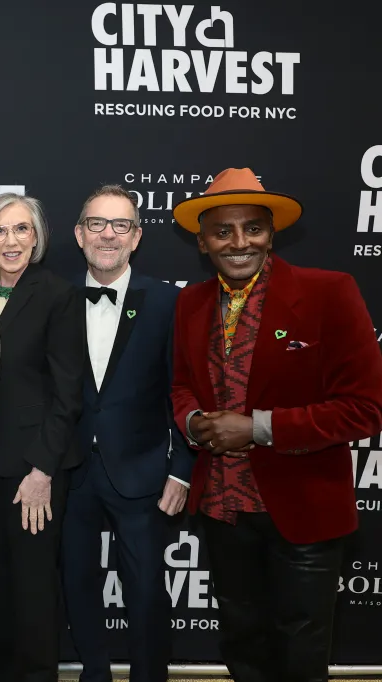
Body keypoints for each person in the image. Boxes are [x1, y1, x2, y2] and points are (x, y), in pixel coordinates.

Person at [170, 168, 382, 682]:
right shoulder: (190, 302)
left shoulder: (330, 292)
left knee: (302, 650)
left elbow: (365, 408)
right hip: (223, 508)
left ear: (272, 232)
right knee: (243, 643)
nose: (240, 243)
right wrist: (195, 421)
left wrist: (258, 428)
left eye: (253, 228)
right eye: (223, 231)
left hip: (304, 506)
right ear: (202, 242)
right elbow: (180, 387)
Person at [61, 185, 191, 682]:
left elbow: (184, 390)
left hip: (143, 472)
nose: (108, 234)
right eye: (96, 224)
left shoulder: (167, 302)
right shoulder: (57, 299)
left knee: (147, 588)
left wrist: (182, 470)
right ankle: (94, 673)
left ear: (136, 237)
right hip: (70, 472)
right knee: (77, 582)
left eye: (120, 225)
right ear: (79, 234)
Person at [0, 192, 84, 682]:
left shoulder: (57, 294)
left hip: (33, 469)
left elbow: (67, 393)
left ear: (36, 239)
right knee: (1, 586)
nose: (10, 241)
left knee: (33, 591)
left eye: (22, 230)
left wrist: (42, 471)